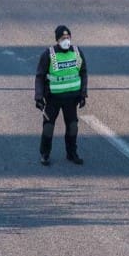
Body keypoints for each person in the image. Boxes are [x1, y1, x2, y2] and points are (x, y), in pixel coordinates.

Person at [34, 25, 87, 166]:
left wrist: (83, 94)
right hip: (53, 99)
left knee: (73, 126)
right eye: (63, 38)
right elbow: (40, 76)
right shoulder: (49, 55)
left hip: (71, 99)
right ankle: (45, 154)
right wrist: (38, 97)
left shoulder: (77, 52)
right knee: (48, 127)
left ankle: (72, 153)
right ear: (57, 40)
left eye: (68, 37)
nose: (67, 41)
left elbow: (83, 73)